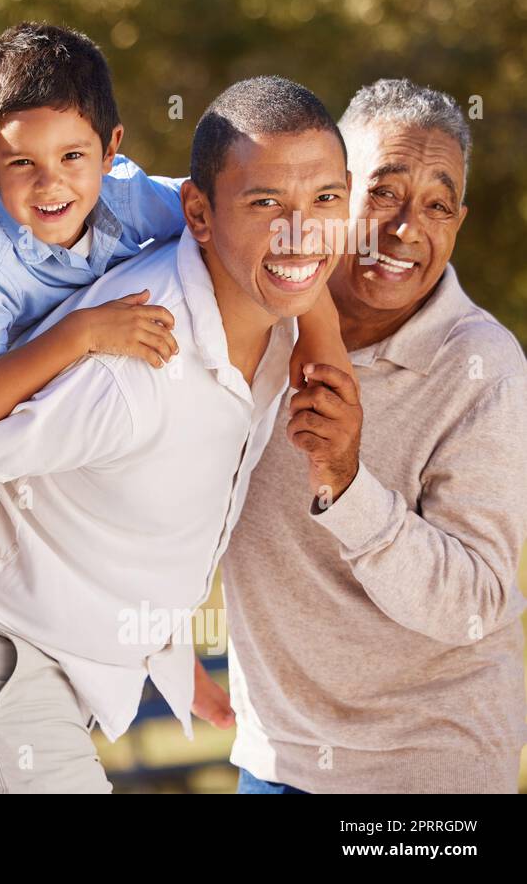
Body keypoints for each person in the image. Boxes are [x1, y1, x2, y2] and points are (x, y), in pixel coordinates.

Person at [0, 76, 352, 793]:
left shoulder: (273, 307)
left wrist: (159, 636)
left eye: (325, 199)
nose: (301, 230)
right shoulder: (135, 365)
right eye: (266, 203)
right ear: (197, 213)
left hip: (55, 651)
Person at [221, 78, 527, 794]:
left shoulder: (485, 371)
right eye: (383, 193)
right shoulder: (256, 303)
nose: (406, 231)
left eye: (437, 205)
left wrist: (347, 482)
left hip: (428, 774)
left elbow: (477, 603)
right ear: (327, 192)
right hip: (276, 756)